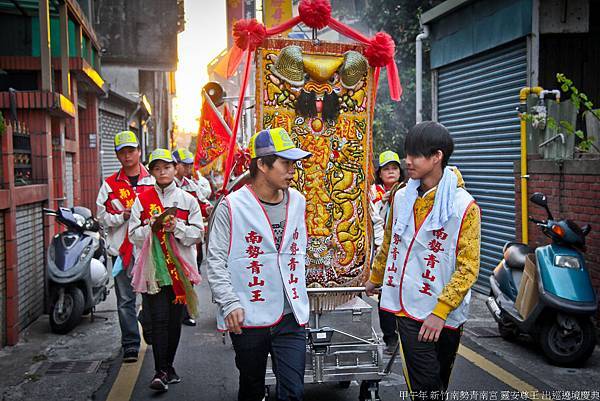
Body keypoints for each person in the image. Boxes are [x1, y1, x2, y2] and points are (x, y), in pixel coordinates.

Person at [365, 121, 481, 400]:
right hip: (407, 306)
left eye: (415, 154)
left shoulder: (464, 205)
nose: (407, 161)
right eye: (407, 153)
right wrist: (375, 278)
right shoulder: (401, 197)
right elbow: (391, 242)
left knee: (438, 382)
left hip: (447, 313)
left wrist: (440, 312)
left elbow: (468, 266)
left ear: (436, 157)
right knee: (425, 387)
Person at [206, 127, 312, 401]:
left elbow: (298, 249)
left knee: (294, 391)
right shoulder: (232, 206)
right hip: (250, 314)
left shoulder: (298, 201)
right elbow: (215, 259)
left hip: (291, 315)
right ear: (262, 165)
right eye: (285, 163)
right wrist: (229, 302)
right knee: (252, 387)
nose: (292, 170)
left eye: (293, 164)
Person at [128, 148, 203, 392]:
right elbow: (132, 235)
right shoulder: (142, 200)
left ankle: (168, 366)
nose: (162, 172)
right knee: (158, 320)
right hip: (153, 270)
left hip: (180, 270)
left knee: (173, 321)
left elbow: (198, 234)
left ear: (175, 168)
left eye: (167, 167)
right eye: (157, 168)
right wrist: (151, 227)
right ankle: (160, 370)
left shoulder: (187, 199)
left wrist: (176, 228)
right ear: (151, 172)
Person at [96, 130, 154, 363]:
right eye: (123, 152)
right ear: (118, 156)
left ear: (139, 151)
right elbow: (102, 217)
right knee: (125, 300)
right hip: (121, 252)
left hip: (149, 251)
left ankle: (148, 325)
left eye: (131, 151)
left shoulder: (153, 180)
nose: (128, 156)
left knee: (152, 296)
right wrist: (122, 216)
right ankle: (130, 344)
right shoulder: (109, 185)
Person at [369, 150, 405, 354]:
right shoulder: (373, 193)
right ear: (380, 173)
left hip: (403, 249)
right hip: (382, 248)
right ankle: (390, 338)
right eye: (386, 169)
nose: (391, 172)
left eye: (394, 168)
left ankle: (407, 335)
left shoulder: (410, 191)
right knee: (385, 294)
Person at [172, 148, 212, 326]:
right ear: (176, 165)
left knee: (191, 273)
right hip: (171, 239)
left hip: (190, 239)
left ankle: (185, 311)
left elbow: (203, 203)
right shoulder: (167, 185)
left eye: (190, 165)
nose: (189, 168)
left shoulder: (191, 184)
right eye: (185, 165)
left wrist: (210, 209)